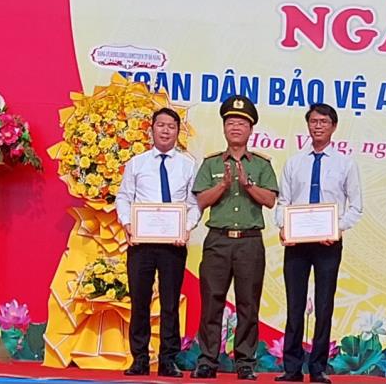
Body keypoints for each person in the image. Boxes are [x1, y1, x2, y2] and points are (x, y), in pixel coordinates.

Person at [274, 104, 363, 383]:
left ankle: (318, 367)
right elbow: (283, 202)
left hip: (328, 244)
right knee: (295, 305)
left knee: (324, 306)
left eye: (324, 122)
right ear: (308, 125)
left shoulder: (345, 164)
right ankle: (291, 368)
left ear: (334, 126)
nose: (318, 126)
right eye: (313, 121)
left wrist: (337, 229)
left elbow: (356, 207)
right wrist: (283, 226)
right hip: (297, 245)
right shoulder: (294, 163)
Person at [191, 96, 279, 380]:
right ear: (224, 128)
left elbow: (270, 200)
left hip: (249, 242)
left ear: (250, 129)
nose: (236, 127)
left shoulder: (261, 165)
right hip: (218, 240)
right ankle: (208, 360)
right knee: (212, 301)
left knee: (248, 304)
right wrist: (224, 185)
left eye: (241, 123)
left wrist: (247, 185)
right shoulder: (211, 163)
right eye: (231, 122)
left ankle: (245, 362)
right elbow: (201, 201)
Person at [117, 107, 201, 377]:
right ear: (151, 129)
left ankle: (168, 360)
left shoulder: (188, 165)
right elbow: (124, 197)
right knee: (140, 302)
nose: (165, 130)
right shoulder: (137, 163)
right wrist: (127, 224)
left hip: (173, 245)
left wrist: (186, 228)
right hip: (141, 244)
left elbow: (194, 204)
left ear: (178, 131)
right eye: (161, 125)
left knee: (170, 304)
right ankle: (139, 359)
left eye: (171, 126)